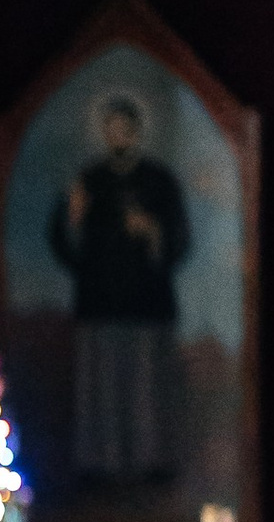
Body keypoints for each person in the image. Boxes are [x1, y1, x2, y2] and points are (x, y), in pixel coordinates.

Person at [48, 87, 191, 486]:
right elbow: (62, 244)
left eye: (125, 129)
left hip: (148, 303)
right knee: (101, 387)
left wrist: (154, 232)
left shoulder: (160, 182)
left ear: (136, 133)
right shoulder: (88, 181)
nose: (118, 137)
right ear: (104, 134)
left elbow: (180, 241)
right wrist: (71, 218)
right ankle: (101, 465)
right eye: (111, 130)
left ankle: (151, 464)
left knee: (146, 387)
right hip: (99, 302)